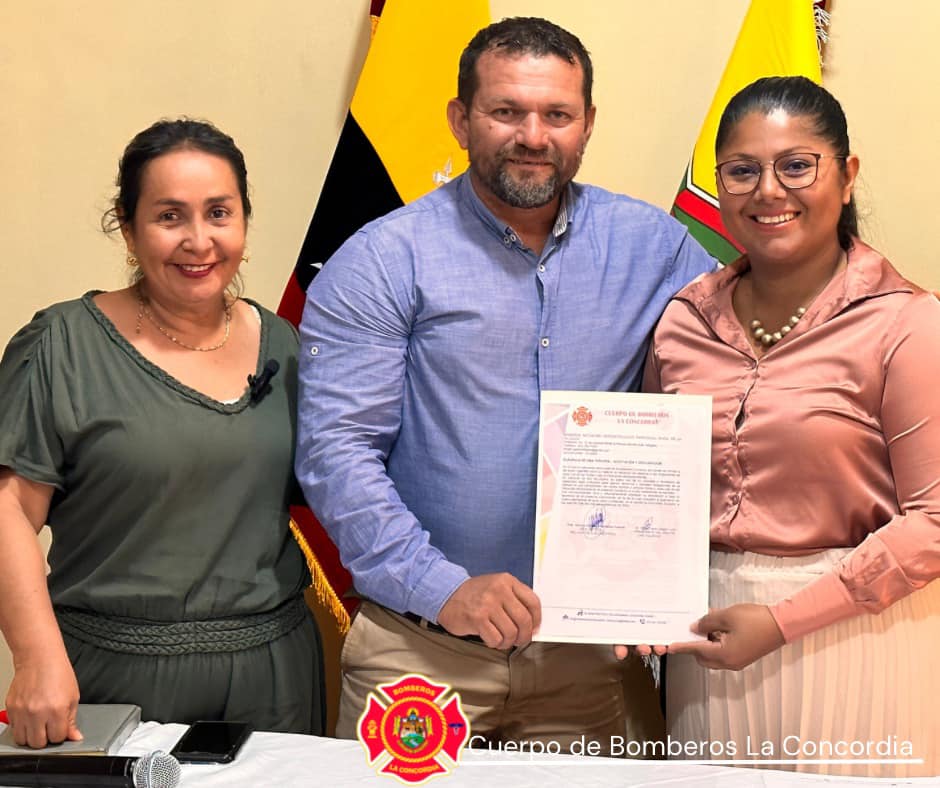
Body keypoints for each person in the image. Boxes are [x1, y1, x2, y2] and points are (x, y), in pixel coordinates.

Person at [296, 17, 715, 753]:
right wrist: (442, 588)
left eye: (557, 114)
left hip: (590, 660)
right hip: (421, 650)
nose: (533, 135)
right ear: (460, 120)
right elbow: (339, 452)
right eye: (506, 111)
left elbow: (747, 376)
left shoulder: (656, 249)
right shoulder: (384, 259)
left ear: (588, 124)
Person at [636, 77, 939, 777]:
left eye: (797, 165)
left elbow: (935, 522)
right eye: (742, 171)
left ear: (847, 174)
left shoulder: (908, 322)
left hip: (859, 640)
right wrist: (621, 602)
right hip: (708, 648)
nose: (768, 191)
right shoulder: (683, 321)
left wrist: (782, 622)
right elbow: (652, 491)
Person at [0, 119, 325, 747]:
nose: (198, 241)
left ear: (244, 222)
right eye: (169, 216)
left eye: (219, 213)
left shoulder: (285, 345)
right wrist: (35, 658)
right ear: (128, 228)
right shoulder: (62, 345)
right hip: (114, 677)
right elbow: (9, 508)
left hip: (274, 677)